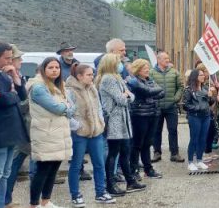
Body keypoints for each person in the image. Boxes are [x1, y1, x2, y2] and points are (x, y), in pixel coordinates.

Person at [0, 42, 29, 208]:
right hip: (0, 132)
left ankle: (0, 205)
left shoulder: (4, 73)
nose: (10, 61)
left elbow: (22, 96)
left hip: (12, 131)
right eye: (7, 58)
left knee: (5, 174)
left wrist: (15, 79)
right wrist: (11, 94)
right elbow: (1, 99)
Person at [28, 57, 75, 208]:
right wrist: (66, 107)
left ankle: (46, 201)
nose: (55, 70)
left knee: (53, 169)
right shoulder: (39, 87)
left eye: (57, 67)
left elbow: (72, 107)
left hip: (59, 133)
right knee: (43, 170)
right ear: (43, 69)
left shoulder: (59, 85)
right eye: (50, 67)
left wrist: (66, 107)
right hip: (46, 133)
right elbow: (57, 108)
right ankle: (34, 204)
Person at [66, 63, 115, 206]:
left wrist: (101, 123)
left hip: (96, 132)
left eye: (92, 74)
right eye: (88, 75)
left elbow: (99, 107)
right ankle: (75, 195)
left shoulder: (93, 88)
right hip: (79, 134)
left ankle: (101, 192)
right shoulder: (70, 91)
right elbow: (67, 112)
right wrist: (78, 126)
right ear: (79, 76)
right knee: (76, 165)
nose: (92, 77)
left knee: (99, 163)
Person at [96, 54, 146, 196]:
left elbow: (132, 96)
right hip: (114, 120)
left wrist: (127, 95)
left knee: (125, 151)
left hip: (122, 119)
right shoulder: (108, 79)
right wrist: (126, 95)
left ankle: (130, 181)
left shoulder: (117, 77)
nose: (121, 65)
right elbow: (122, 99)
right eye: (118, 62)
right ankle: (110, 184)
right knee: (113, 152)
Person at [5, 44, 35, 207]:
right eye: (18, 58)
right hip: (16, 126)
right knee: (11, 165)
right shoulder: (8, 77)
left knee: (13, 163)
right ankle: (5, 198)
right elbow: (19, 103)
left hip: (22, 125)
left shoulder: (19, 75)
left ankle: (6, 198)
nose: (21, 61)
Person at [127, 59, 164, 179]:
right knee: (137, 145)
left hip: (153, 114)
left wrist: (152, 92)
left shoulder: (149, 80)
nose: (147, 70)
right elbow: (148, 91)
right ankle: (134, 170)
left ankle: (149, 169)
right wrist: (152, 92)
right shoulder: (133, 81)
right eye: (144, 68)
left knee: (147, 144)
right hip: (139, 116)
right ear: (138, 70)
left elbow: (162, 93)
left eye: (148, 67)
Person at [150, 51, 185, 163]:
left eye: (168, 58)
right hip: (157, 106)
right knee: (156, 130)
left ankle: (174, 153)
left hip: (171, 107)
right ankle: (157, 152)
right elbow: (148, 87)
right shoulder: (151, 73)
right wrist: (153, 100)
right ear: (158, 60)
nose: (168, 60)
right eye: (165, 58)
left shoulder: (174, 72)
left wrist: (176, 99)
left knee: (173, 130)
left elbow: (180, 87)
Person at [183, 69, 215, 171]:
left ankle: (200, 160)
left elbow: (209, 103)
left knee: (203, 139)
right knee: (194, 139)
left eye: (203, 75)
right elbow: (185, 105)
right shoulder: (189, 90)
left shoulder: (205, 88)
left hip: (206, 116)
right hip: (195, 116)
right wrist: (198, 108)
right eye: (201, 75)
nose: (203, 76)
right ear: (195, 76)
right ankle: (191, 162)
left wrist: (211, 97)